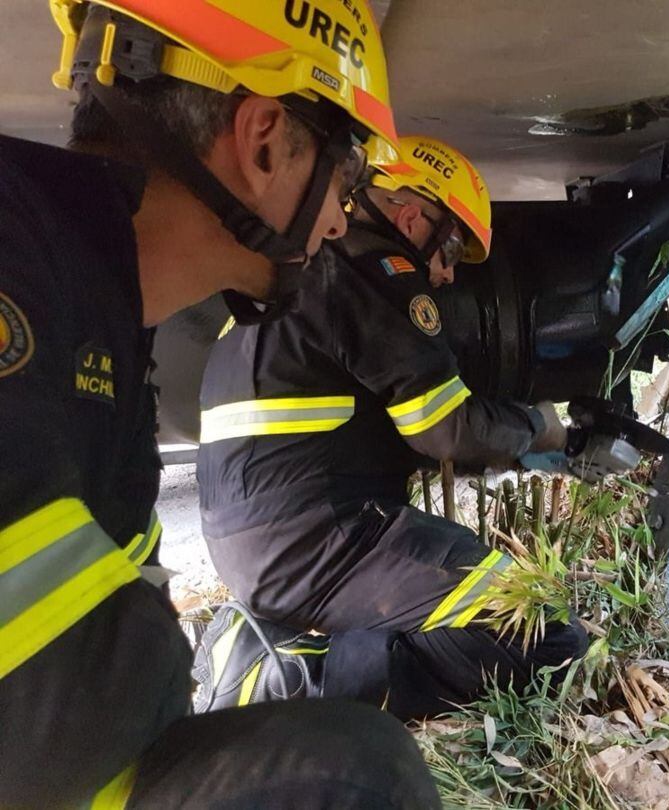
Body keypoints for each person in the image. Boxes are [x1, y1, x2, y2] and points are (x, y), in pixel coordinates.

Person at [0, 1, 440, 807]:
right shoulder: (18, 259)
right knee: (353, 774)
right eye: (344, 177)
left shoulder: (99, 325)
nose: (341, 219)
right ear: (264, 142)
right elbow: (45, 718)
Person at [194, 136, 587, 720]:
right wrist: (540, 427)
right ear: (410, 217)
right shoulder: (376, 271)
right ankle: (280, 682)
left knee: (490, 617)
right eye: (450, 250)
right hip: (320, 537)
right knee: (545, 633)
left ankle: (281, 640)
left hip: (266, 540)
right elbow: (445, 429)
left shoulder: (306, 273)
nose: (449, 277)